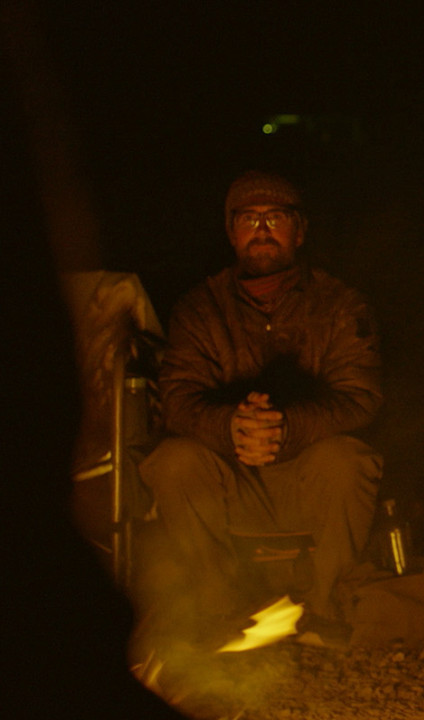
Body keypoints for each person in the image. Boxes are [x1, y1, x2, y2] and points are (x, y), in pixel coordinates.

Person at [139, 171, 383, 645]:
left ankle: (326, 609)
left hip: (306, 479)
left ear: (300, 230)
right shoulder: (200, 308)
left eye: (276, 218)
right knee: (173, 461)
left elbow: (361, 397)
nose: (263, 230)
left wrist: (286, 428)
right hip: (233, 479)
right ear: (232, 234)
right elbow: (178, 399)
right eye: (249, 219)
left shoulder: (340, 304)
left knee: (347, 460)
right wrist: (231, 427)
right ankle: (217, 612)